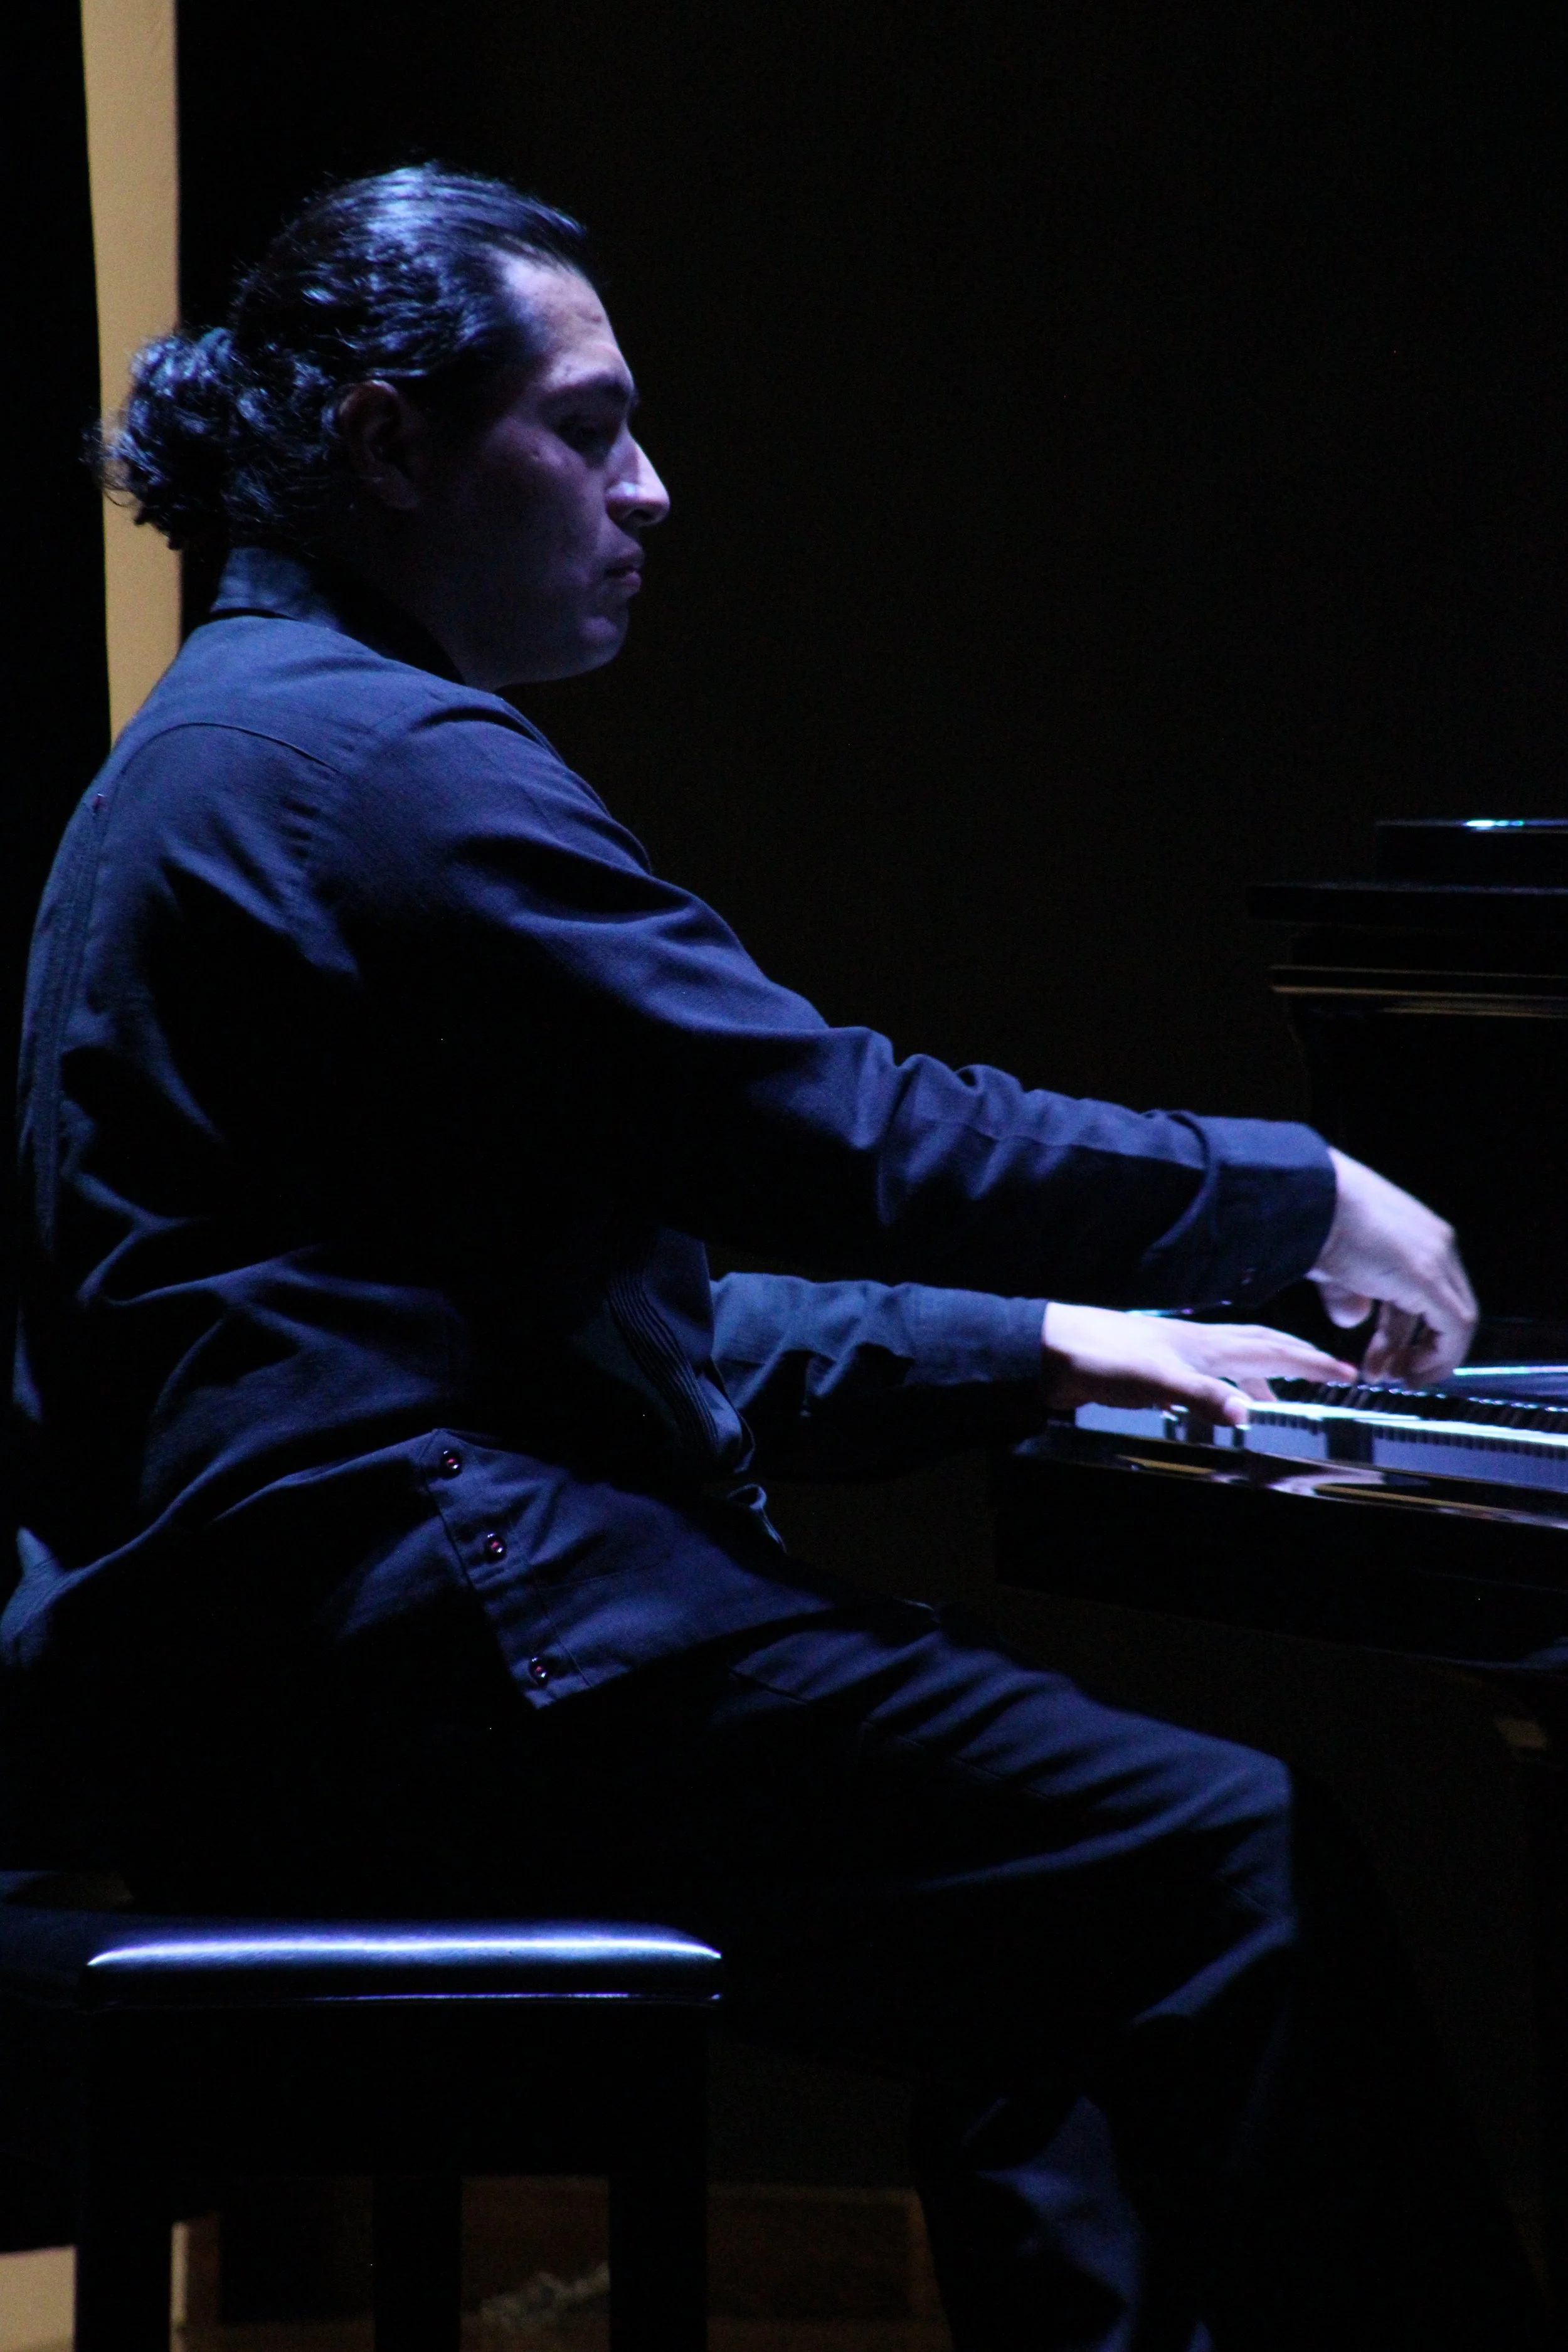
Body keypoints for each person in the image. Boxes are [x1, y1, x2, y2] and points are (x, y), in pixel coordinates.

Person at [4, 166, 1521, 2348]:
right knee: (1227, 1858)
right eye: (586, 427)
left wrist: (1049, 1336)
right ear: (387, 444)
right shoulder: (379, 766)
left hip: (316, 1673)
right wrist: (1295, 1190)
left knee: (1042, 1944)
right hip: (443, 1664)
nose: (651, 489)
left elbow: (579, 1309)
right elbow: (824, 1124)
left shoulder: (234, 743)